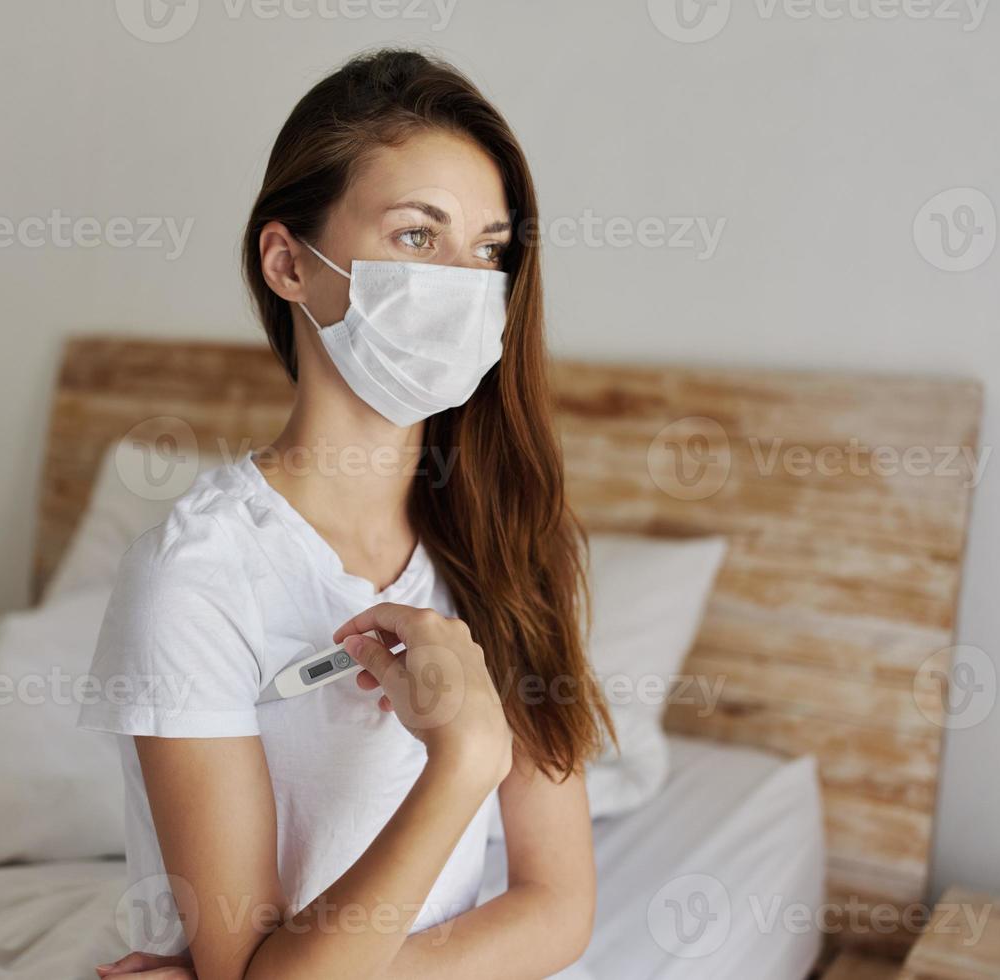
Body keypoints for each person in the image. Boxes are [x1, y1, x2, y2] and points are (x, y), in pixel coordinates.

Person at [80, 46, 613, 980]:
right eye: (417, 236)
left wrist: (317, 971)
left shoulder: (506, 540)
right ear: (289, 263)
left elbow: (557, 907)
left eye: (488, 249)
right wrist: (464, 759)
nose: (465, 282)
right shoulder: (195, 577)